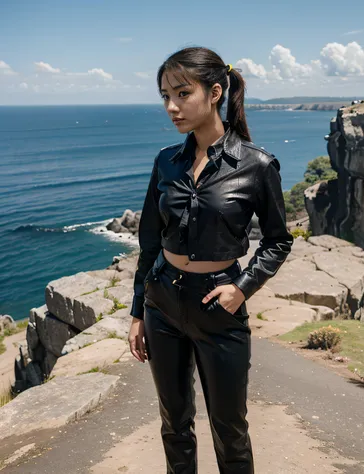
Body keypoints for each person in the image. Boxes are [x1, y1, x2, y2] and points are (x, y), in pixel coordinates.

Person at [128, 46, 294, 474]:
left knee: (230, 430)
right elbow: (150, 240)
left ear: (216, 92)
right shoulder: (166, 161)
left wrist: (242, 288)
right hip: (161, 304)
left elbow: (278, 240)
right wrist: (137, 313)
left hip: (219, 307)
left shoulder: (257, 165)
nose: (171, 106)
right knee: (174, 424)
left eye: (182, 93)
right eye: (165, 95)